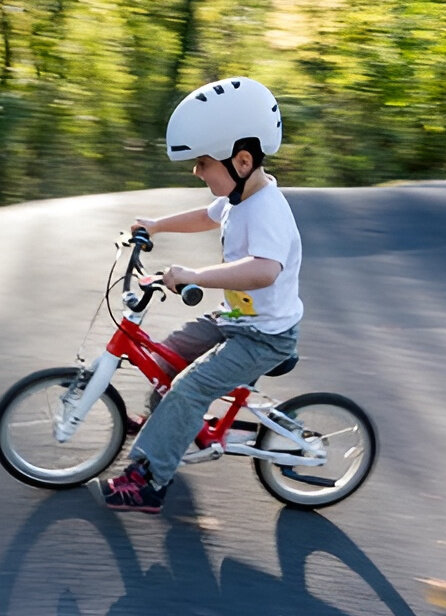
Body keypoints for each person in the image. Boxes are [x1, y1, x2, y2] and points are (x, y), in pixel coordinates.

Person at [95, 76, 303, 513]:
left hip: (264, 336)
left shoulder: (267, 210)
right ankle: (170, 426)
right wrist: (155, 224)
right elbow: (205, 217)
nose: (196, 170)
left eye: (203, 162)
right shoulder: (238, 197)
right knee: (166, 358)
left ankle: (150, 480)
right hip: (236, 320)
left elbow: (264, 271)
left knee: (188, 388)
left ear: (242, 160)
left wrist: (195, 274)